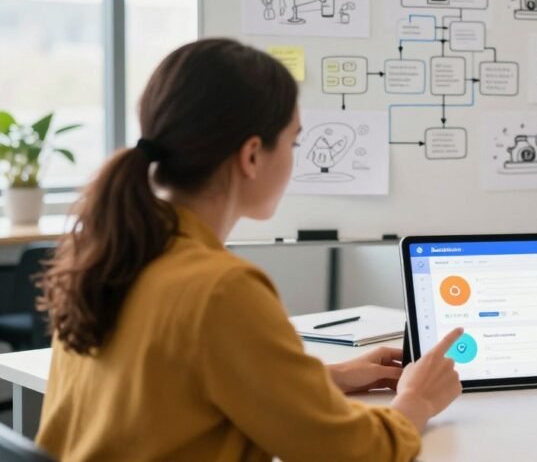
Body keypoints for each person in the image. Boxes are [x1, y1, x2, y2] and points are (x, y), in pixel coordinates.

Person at [36, 39, 463, 462]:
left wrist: (328, 379)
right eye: (294, 143)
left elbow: (181, 389)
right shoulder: (220, 289)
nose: (295, 160)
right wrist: (416, 401)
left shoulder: (110, 252)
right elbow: (351, 453)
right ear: (252, 156)